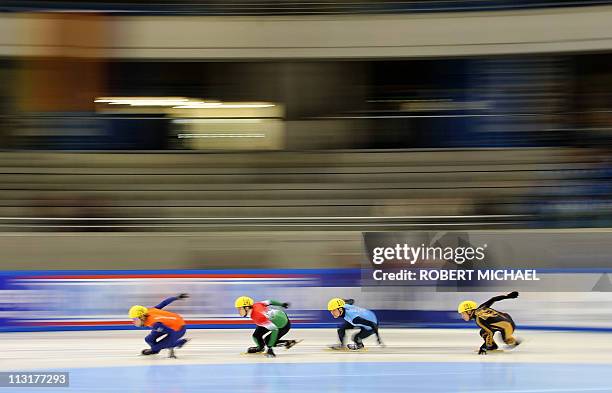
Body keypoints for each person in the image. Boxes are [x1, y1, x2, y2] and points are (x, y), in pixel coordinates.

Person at [457, 291, 522, 355]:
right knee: (483, 332)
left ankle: (514, 342)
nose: (462, 316)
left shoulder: (479, 320)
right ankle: (492, 345)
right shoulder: (482, 307)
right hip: (505, 319)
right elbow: (493, 299)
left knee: (505, 340)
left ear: (469, 311)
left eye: (463, 313)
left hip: (507, 326)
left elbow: (490, 333)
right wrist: (508, 296)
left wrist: (484, 347)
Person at [234, 296, 299, 358]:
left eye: (240, 308)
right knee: (256, 336)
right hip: (273, 318)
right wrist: (282, 304)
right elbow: (270, 301)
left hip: (282, 325)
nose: (239, 311)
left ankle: (287, 343)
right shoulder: (257, 305)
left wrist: (270, 348)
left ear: (247, 308)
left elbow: (275, 330)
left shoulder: (258, 317)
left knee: (268, 341)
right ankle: (260, 348)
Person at [128, 293, 190, 358]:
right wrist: (176, 297)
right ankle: (155, 350)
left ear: (142, 317)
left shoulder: (155, 323)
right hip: (167, 324)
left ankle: (181, 342)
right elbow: (164, 303)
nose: (133, 321)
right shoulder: (150, 311)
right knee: (148, 339)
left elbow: (172, 333)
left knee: (159, 346)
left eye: (135, 319)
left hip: (179, 328)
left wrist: (173, 345)